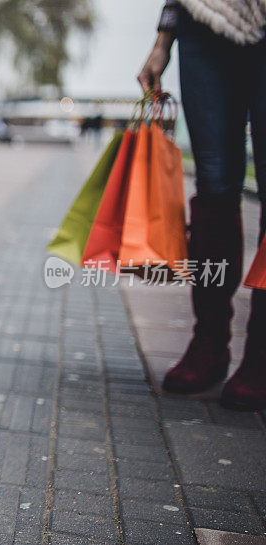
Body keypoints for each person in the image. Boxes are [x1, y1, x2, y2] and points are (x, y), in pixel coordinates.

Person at [137, 0, 266, 410]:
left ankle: (261, 354)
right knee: (213, 185)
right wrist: (163, 40)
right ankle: (208, 341)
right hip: (204, 19)